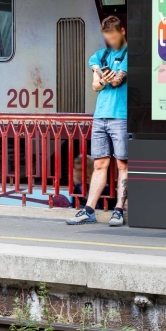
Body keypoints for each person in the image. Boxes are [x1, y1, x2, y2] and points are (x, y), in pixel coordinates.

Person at [68, 16, 128, 227]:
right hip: (100, 115)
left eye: (113, 36)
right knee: (100, 163)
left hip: (121, 115)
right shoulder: (100, 55)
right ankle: (89, 210)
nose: (110, 41)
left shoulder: (130, 54)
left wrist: (107, 79)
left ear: (122, 31)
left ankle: (119, 210)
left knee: (122, 164)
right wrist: (102, 78)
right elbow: (96, 85)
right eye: (107, 37)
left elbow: (118, 79)